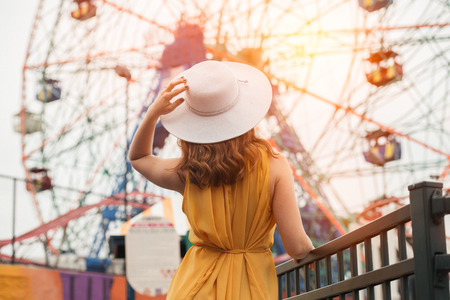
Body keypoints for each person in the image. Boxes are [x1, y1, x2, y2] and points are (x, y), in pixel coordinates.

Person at [129, 60, 314, 300]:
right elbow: (297, 246)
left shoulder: (188, 171)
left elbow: (139, 157)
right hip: (250, 287)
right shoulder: (274, 165)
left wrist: (154, 111)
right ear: (244, 112)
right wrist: (311, 252)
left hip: (193, 288)